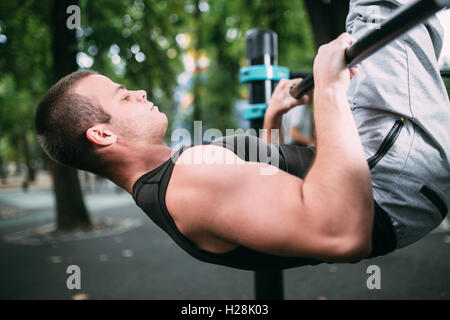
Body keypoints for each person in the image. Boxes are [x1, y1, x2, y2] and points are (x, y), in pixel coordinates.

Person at [35, 0, 449, 271]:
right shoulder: (188, 182)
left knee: (395, 28)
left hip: (384, 166)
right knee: (376, 8)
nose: (139, 92)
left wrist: (272, 120)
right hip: (390, 176)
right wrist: (326, 88)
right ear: (102, 134)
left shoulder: (174, 179)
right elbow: (342, 233)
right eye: (123, 96)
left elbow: (270, 191)